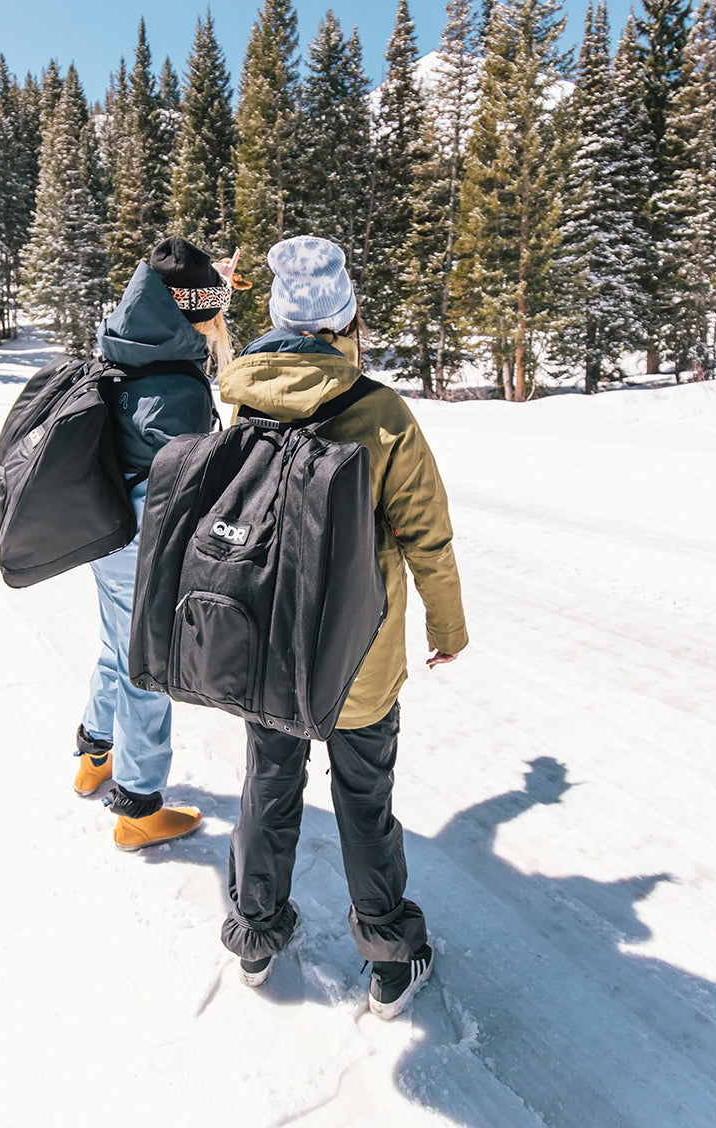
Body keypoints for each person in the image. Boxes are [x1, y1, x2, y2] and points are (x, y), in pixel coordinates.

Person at [213, 235, 468, 1019]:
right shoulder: (382, 413)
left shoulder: (245, 399)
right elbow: (427, 532)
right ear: (345, 317)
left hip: (267, 646)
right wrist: (448, 626)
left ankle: (254, 938)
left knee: (269, 786)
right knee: (363, 799)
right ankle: (391, 958)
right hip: (361, 653)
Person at [73, 237, 245, 851]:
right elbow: (188, 488)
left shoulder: (126, 344)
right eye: (215, 312)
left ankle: (94, 753)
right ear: (196, 313)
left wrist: (210, 283)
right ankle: (138, 806)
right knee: (146, 668)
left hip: (101, 529)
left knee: (115, 648)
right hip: (139, 546)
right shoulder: (180, 389)